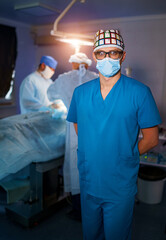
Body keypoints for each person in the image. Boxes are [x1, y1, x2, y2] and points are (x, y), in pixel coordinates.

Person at [67, 29, 161, 239]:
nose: (107, 58)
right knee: (91, 234)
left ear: (123, 56)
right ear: (94, 56)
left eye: (114, 52)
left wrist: (124, 155)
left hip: (119, 183)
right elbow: (78, 126)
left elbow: (152, 138)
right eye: (101, 53)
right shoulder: (80, 93)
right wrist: (94, 148)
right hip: (89, 178)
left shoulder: (139, 92)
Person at [47, 52, 98, 220]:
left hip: (74, 126)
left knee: (76, 168)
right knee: (94, 167)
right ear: (88, 64)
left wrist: (62, 105)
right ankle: (94, 210)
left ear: (73, 63)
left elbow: (50, 94)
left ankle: (78, 210)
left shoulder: (64, 79)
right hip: (95, 127)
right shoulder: (97, 78)